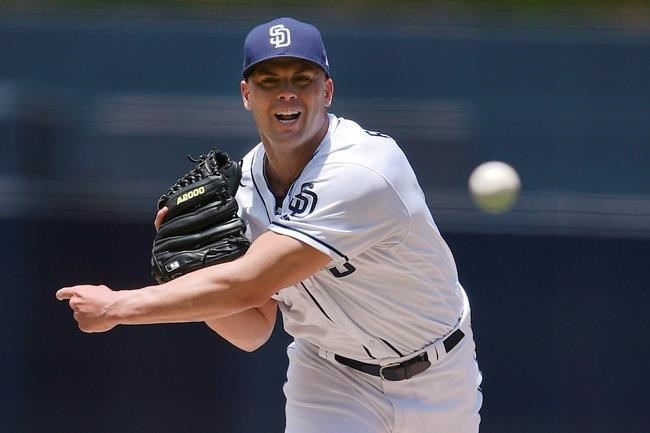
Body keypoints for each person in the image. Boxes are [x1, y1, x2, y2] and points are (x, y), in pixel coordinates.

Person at [57, 17, 483, 433]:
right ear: (246, 94)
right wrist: (194, 267)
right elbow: (252, 330)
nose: (286, 93)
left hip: (438, 375)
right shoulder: (240, 192)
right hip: (330, 376)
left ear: (327, 91)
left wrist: (117, 308)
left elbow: (249, 284)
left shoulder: (363, 168)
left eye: (302, 79)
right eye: (269, 81)